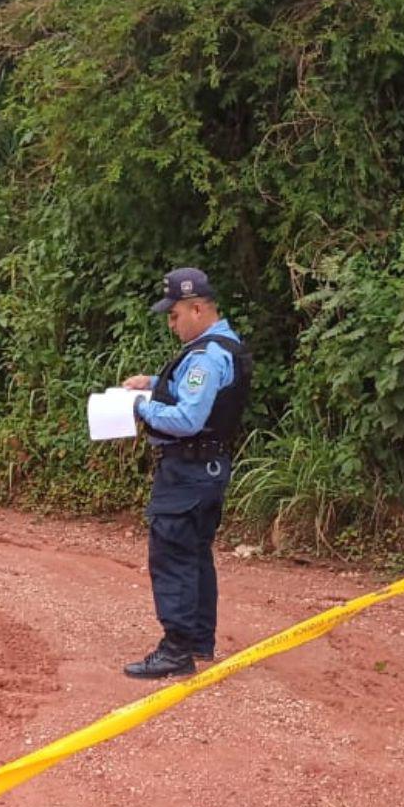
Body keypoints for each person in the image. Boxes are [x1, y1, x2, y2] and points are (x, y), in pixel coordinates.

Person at [120, 267, 253, 679]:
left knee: (173, 553)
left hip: (188, 471)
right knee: (195, 554)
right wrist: (155, 381)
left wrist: (140, 406)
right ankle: (197, 639)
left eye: (175, 314)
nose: (171, 323)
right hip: (207, 469)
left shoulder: (205, 356)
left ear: (198, 308)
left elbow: (188, 416)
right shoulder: (225, 347)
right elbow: (201, 392)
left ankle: (176, 649)